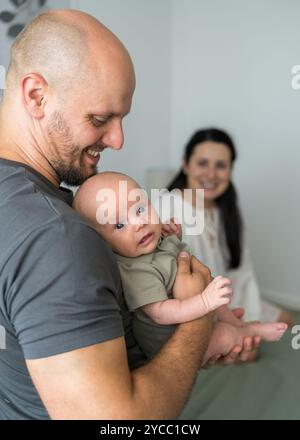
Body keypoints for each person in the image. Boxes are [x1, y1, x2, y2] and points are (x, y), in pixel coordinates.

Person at [0, 10, 255, 421]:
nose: (118, 140)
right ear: (36, 96)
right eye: (100, 119)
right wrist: (198, 323)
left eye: (122, 119)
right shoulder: (56, 235)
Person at [73, 171, 287, 363]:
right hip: (171, 348)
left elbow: (172, 258)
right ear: (104, 244)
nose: (139, 223)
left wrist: (173, 235)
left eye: (139, 209)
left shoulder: (149, 244)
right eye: (119, 225)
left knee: (218, 299)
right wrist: (204, 301)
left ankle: (241, 326)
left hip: (193, 314)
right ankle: (243, 332)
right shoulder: (136, 272)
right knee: (224, 335)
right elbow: (160, 314)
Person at [164, 128, 293, 326]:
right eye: (202, 163)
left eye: (221, 166)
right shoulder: (166, 208)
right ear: (186, 165)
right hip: (189, 308)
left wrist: (248, 319)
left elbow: (242, 273)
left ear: (230, 170)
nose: (211, 174)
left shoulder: (226, 210)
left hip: (227, 300)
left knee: (285, 320)